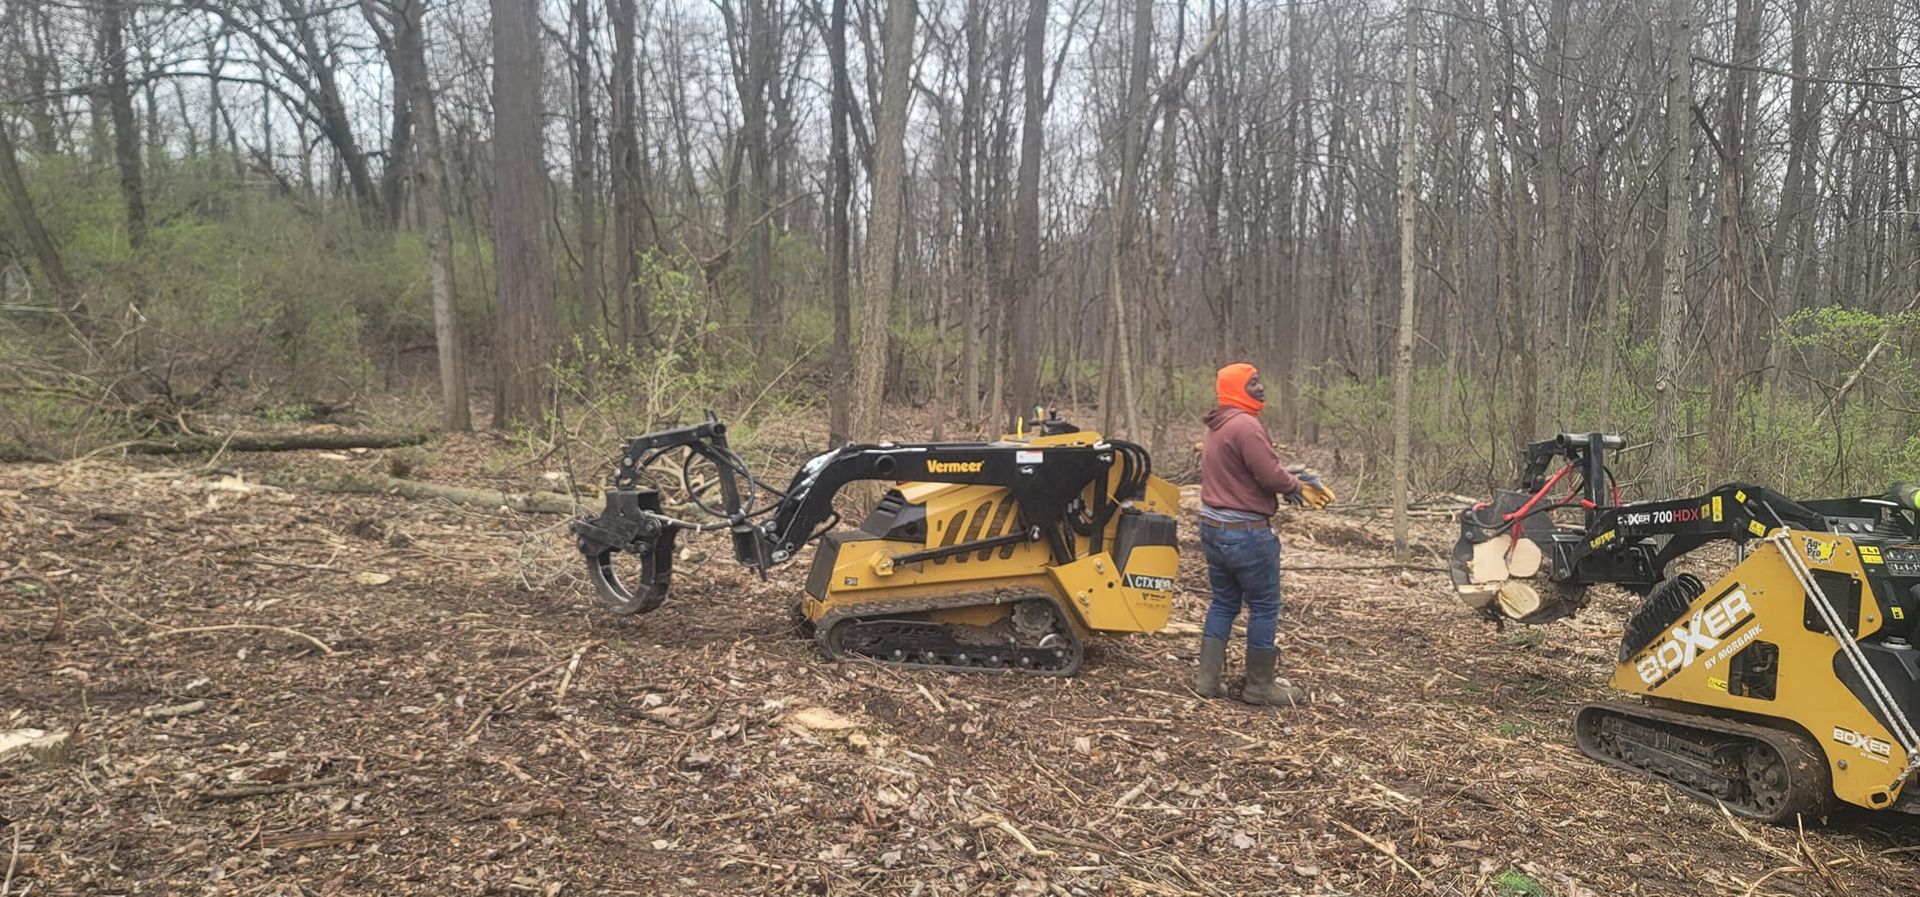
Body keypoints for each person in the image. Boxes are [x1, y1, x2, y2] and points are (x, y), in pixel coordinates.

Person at [1193, 362, 1324, 706]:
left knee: (1223, 602)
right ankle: (1260, 686)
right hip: (1246, 534)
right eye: (1253, 383)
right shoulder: (1245, 425)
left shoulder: (1217, 425)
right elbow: (1269, 477)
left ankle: (1207, 680)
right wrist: (1297, 485)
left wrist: (1287, 475)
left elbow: (1246, 471)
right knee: (1265, 607)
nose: (1262, 387)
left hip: (1213, 528)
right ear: (1237, 388)